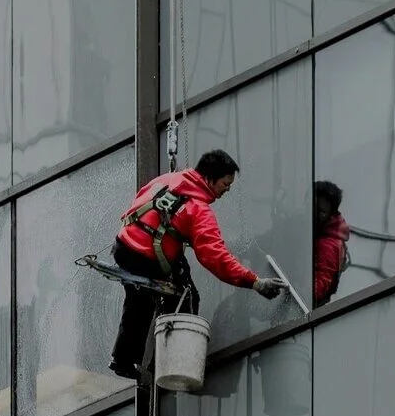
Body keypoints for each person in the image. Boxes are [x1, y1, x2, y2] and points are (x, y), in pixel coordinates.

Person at [109, 149, 283, 378]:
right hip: (146, 256)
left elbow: (142, 201)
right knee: (185, 295)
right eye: (225, 183)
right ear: (210, 179)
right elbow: (216, 258)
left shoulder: (168, 179)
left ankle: (123, 360)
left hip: (123, 246)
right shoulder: (198, 210)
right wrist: (255, 282)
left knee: (139, 298)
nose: (227, 190)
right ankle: (171, 364)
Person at [312, 180, 351, 305]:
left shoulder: (329, 245)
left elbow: (317, 289)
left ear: (331, 215)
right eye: (311, 207)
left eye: (321, 212)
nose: (314, 214)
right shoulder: (310, 227)